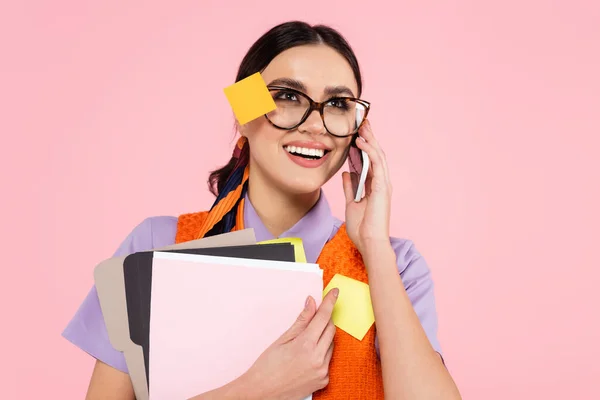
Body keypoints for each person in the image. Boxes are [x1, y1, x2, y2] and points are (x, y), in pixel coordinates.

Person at [63, 20, 461, 400]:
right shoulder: (155, 245)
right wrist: (253, 391)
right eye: (288, 96)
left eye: (338, 104)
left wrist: (374, 247)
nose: (317, 125)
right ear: (244, 111)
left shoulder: (397, 266)